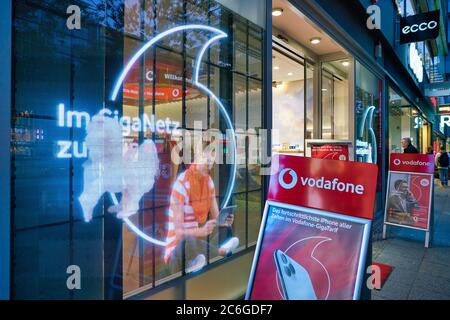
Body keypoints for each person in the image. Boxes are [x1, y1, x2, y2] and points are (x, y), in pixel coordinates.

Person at [164, 141, 239, 273]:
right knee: (189, 240)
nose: (209, 164)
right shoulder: (181, 183)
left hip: (194, 248)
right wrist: (199, 231)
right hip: (176, 251)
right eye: (206, 160)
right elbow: (179, 232)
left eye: (212, 161)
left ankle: (198, 261)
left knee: (197, 243)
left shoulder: (208, 181)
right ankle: (218, 252)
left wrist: (224, 220)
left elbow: (217, 217)